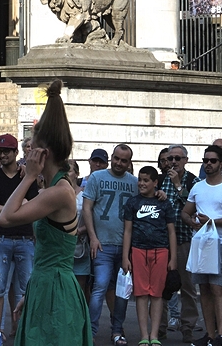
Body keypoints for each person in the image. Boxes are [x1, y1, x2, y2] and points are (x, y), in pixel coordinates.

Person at [0, 79, 91, 346]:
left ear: (44, 153)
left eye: (32, 148)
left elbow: (5, 218)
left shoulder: (58, 192)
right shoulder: (54, 189)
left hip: (55, 291)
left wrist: (27, 177)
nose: (28, 152)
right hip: (46, 285)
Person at [181, 145, 222, 346]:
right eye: (205, 160)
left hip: (221, 243)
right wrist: (192, 223)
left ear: (221, 162)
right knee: (204, 290)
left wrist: (211, 222)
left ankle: (221, 336)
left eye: (213, 160)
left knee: (218, 290)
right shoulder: (198, 187)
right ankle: (209, 334)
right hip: (200, 244)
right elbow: (184, 212)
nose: (208, 163)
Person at [0, 134, 38, 346]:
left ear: (16, 152)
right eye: (0, 151)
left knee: (25, 289)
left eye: (7, 151)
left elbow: (32, 207)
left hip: (25, 239)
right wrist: (18, 207)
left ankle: (23, 329)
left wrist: (3, 209)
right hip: (1, 238)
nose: (3, 154)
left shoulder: (27, 178)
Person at [82, 144, 138, 345]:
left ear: (129, 162)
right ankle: (91, 331)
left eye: (124, 160)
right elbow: (87, 209)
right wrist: (93, 237)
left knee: (121, 291)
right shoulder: (97, 178)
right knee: (100, 286)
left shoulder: (134, 182)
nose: (119, 163)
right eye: (116, 158)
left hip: (124, 246)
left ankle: (117, 331)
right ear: (111, 157)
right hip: (102, 244)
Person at [122, 165, 177, 346]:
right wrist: (125, 256)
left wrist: (173, 258)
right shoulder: (132, 203)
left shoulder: (164, 203)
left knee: (157, 294)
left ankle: (154, 335)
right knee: (141, 294)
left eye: (146, 180)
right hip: (138, 251)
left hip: (161, 251)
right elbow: (128, 231)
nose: (141, 183)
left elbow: (171, 232)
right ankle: (144, 335)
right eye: (140, 179)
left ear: (155, 183)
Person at [159, 145, 200, 343]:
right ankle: (159, 328)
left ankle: (188, 328)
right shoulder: (159, 179)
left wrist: (178, 186)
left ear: (185, 159)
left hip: (184, 240)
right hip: (162, 241)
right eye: (170, 158)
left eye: (177, 158)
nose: (173, 162)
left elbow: (192, 210)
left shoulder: (194, 182)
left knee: (188, 287)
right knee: (161, 286)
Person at [68, 159, 90, 298]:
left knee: (80, 290)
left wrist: (80, 230)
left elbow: (92, 218)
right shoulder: (57, 193)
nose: (66, 174)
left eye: (69, 170)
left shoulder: (85, 194)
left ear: (76, 174)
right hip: (63, 246)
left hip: (80, 245)